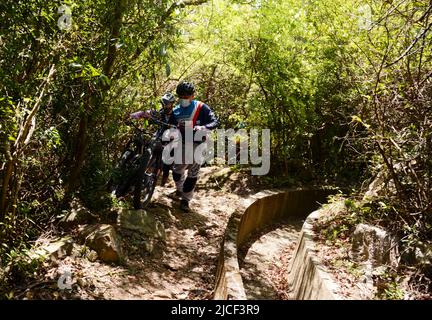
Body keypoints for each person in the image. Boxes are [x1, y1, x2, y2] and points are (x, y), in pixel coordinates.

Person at [168, 81, 218, 212]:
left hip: (199, 143)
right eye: (181, 97)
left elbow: (214, 121)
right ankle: (179, 190)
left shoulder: (202, 108)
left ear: (192, 96)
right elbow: (170, 126)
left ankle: (185, 200)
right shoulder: (176, 111)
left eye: (187, 96)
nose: (184, 99)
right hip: (183, 144)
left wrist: (204, 127)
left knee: (193, 173)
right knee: (177, 171)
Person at [130, 92, 175, 186]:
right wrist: (138, 114)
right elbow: (148, 113)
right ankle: (139, 171)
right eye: (163, 102)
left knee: (165, 163)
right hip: (158, 136)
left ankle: (159, 181)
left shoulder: (176, 115)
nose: (165, 105)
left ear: (172, 104)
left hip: (170, 141)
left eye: (167, 103)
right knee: (146, 147)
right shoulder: (161, 112)